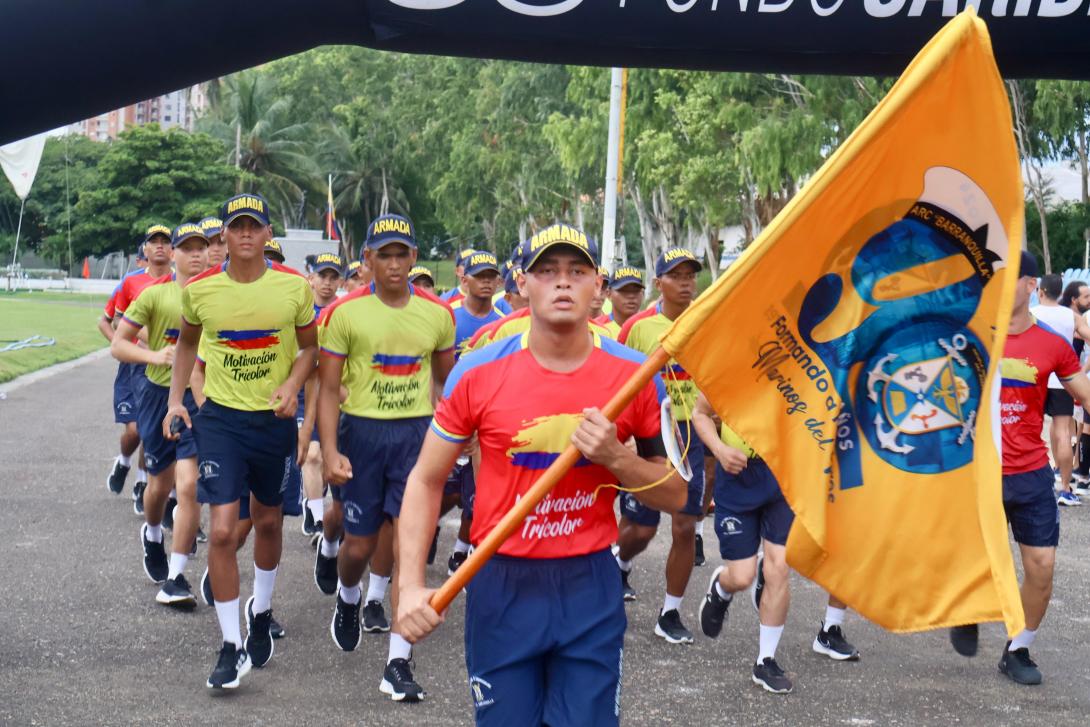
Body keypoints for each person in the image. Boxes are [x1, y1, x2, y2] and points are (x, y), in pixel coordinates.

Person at [397, 223, 686, 726]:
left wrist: (618, 459)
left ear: (598, 286)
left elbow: (679, 493)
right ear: (523, 283)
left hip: (590, 583)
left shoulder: (636, 375)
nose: (562, 283)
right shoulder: (479, 371)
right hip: (501, 580)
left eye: (577, 271)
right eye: (547, 271)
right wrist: (409, 588)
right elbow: (424, 480)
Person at [164, 193, 318, 690]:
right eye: (237, 226)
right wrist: (177, 401)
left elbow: (310, 349)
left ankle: (261, 609)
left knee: (269, 521)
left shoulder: (294, 288)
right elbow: (187, 342)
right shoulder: (202, 290)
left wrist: (292, 387)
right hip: (222, 422)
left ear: (268, 234)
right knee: (226, 530)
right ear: (224, 236)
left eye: (255, 225)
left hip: (272, 422)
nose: (246, 234)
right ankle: (230, 646)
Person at [317, 213, 456, 702]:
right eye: (385, 255)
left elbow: (444, 384)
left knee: (405, 553)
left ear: (414, 258)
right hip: (362, 436)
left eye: (403, 254)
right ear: (368, 259)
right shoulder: (345, 314)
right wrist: (329, 449)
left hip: (415, 438)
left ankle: (398, 661)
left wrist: (452, 436)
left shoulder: (438, 315)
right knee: (359, 546)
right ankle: (349, 595)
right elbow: (329, 389)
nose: (395, 264)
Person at [949, 251, 1090, 685]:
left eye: (1009, 278)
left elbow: (1083, 392)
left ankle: (1019, 648)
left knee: (1042, 568)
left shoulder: (1052, 343)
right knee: (976, 560)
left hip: (1030, 472)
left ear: (1031, 286)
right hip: (979, 474)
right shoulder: (971, 334)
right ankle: (968, 607)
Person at [111, 223, 209, 606]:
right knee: (160, 485)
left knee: (189, 486)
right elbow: (118, 343)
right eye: (188, 248)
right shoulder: (155, 296)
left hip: (196, 398)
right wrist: (154, 355)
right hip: (155, 394)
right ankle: (153, 532)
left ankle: (177, 576)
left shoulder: (217, 297)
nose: (197, 254)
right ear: (174, 255)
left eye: (202, 247)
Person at [614, 247, 707, 645]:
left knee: (686, 526)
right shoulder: (638, 327)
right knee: (641, 531)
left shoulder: (707, 318)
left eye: (691, 276)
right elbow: (617, 375)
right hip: (652, 432)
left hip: (693, 434)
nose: (686, 283)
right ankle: (616, 563)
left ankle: (670, 613)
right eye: (677, 276)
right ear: (659, 284)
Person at [110, 227, 174, 513]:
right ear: (145, 250)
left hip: (169, 366)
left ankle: (141, 483)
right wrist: (146, 344)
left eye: (165, 242)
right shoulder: (131, 283)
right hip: (138, 364)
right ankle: (124, 461)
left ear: (173, 250)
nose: (159, 247)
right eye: (154, 242)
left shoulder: (183, 283)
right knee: (135, 431)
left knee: (153, 432)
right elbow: (115, 322)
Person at [1030, 273, 1090, 505]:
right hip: (1062, 380)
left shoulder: (1031, 314)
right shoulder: (1071, 316)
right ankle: (1065, 488)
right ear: (1062, 293)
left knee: (1031, 431)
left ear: (1040, 291)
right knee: (1063, 431)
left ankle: (1036, 484)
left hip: (1032, 378)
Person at [299, 253, 344, 538]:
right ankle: (317, 518)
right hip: (304, 393)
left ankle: (313, 501)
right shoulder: (300, 312)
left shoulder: (344, 312)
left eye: (332, 277)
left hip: (335, 394)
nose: (327, 283)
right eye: (322, 276)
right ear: (310, 277)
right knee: (312, 455)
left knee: (330, 461)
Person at [1059, 280, 1090, 494]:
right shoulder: (1073, 320)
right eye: (1086, 297)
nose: (1089, 300)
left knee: (1078, 425)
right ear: (1073, 299)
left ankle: (1077, 471)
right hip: (1069, 378)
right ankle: (1078, 473)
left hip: (1073, 377)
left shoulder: (1078, 320)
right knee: (1074, 426)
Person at [595, 265, 645, 337]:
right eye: (623, 290)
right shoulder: (595, 329)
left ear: (642, 294)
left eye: (636, 291)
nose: (631, 296)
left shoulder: (652, 328)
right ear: (608, 294)